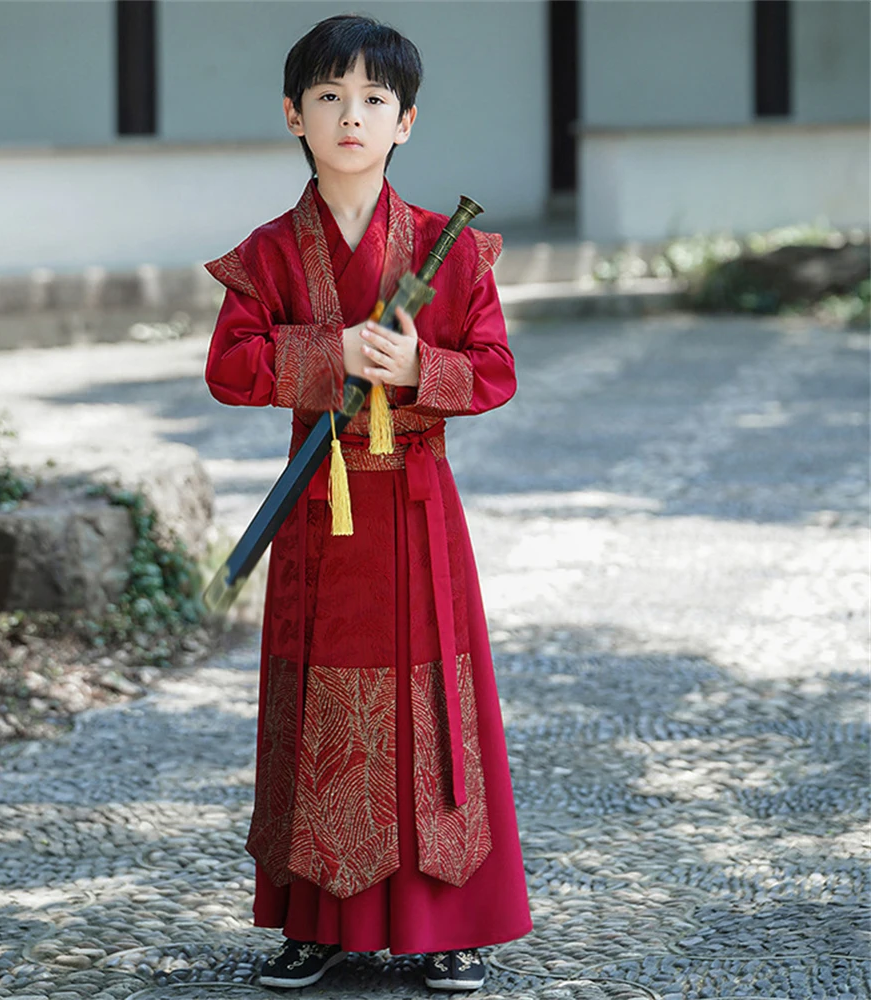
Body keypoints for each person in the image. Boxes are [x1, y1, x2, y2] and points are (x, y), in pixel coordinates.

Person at [203, 13, 532, 992]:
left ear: (406, 122)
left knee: (432, 705)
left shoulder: (449, 246)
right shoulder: (266, 253)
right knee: (319, 705)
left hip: (417, 510)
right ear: (294, 116)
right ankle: (316, 920)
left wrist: (420, 365)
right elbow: (227, 367)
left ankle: (449, 922)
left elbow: (496, 369)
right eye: (329, 97)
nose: (352, 116)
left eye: (374, 100)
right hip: (316, 511)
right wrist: (326, 354)